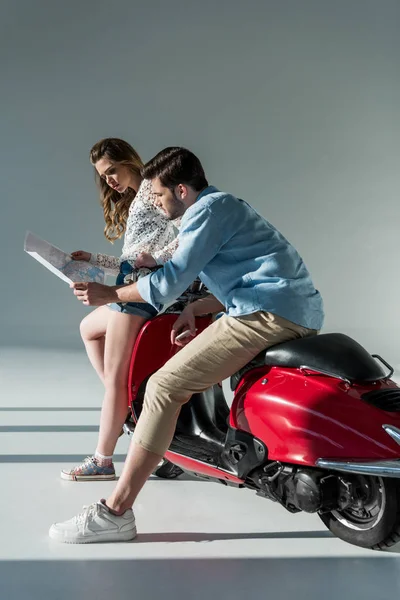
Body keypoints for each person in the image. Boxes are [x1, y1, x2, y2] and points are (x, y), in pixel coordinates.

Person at [49, 147, 324, 543]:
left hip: (262, 315)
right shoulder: (226, 205)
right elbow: (252, 273)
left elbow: (165, 283)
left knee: (163, 387)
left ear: (181, 190)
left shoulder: (202, 214)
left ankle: (116, 512)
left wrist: (108, 294)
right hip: (292, 310)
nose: (156, 205)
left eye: (159, 196)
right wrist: (198, 306)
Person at [61, 138, 179, 482]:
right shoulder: (137, 196)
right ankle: (131, 413)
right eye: (103, 175)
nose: (109, 179)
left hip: (141, 293)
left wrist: (158, 259)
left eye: (112, 170)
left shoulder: (150, 190)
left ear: (129, 161)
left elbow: (184, 235)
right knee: (88, 329)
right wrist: (93, 259)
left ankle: (103, 459)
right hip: (132, 285)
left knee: (115, 378)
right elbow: (131, 260)